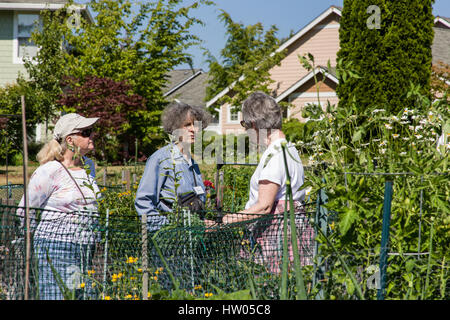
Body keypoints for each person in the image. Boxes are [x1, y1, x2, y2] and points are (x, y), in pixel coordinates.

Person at [206, 91, 314, 273]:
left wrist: (222, 223)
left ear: (253, 124)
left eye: (244, 125)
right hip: (292, 228)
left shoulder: (275, 155)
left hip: (276, 234)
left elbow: (264, 207)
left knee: (271, 287)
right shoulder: (290, 149)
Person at [17, 113, 100, 300]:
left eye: (91, 131)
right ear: (70, 140)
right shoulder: (50, 170)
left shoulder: (89, 166)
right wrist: (26, 244)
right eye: (86, 132)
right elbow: (25, 210)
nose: (92, 136)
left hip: (85, 247)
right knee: (58, 296)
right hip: (56, 246)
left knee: (82, 295)